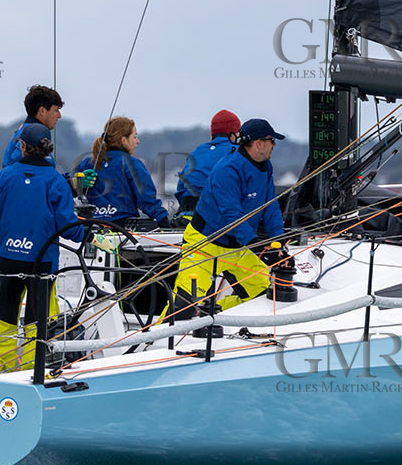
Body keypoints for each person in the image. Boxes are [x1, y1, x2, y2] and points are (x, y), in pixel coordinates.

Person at [166, 118, 288, 326]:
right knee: (184, 305)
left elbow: (270, 207)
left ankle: (213, 313)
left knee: (262, 292)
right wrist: (256, 246)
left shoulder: (265, 167)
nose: (274, 145)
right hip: (205, 242)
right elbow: (232, 215)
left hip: (236, 247)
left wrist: (279, 243)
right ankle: (150, 342)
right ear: (258, 143)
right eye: (271, 140)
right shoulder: (227, 170)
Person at [0, 122, 82, 371]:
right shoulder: (56, 181)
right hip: (42, 260)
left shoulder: (5, 176)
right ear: (48, 148)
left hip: (8, 256)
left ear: (22, 146)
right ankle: (30, 372)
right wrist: (88, 236)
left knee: (4, 311)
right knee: (38, 319)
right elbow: (68, 226)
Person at [71, 116, 169, 225]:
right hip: (123, 229)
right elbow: (146, 199)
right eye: (134, 137)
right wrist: (163, 220)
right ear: (123, 140)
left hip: (92, 227)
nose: (137, 141)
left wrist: (76, 181)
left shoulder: (87, 163)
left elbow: (64, 183)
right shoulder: (132, 163)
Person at [1, 83, 96, 193]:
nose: (59, 116)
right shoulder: (28, 139)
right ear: (42, 111)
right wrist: (72, 185)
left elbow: (44, 177)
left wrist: (75, 180)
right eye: (56, 110)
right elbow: (28, 182)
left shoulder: (27, 133)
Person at [175, 109, 241, 215]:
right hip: (214, 214)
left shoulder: (198, 151)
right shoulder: (239, 152)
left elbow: (181, 186)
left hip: (186, 211)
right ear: (233, 134)